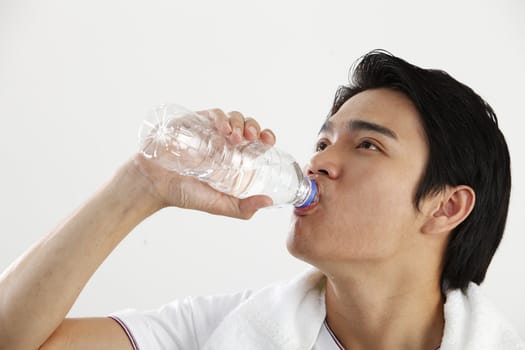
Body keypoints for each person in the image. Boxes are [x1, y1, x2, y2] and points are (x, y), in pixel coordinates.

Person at [0, 50, 523, 350]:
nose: (318, 161)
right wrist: (142, 183)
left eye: (367, 144)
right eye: (322, 141)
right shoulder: (221, 331)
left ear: (446, 207)